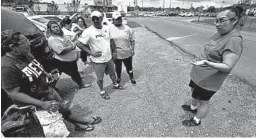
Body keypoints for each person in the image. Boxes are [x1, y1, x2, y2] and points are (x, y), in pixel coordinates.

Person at [1, 30, 102, 133]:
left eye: (27, 39)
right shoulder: (7, 67)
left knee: (62, 107)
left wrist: (46, 73)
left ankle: (77, 123)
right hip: (34, 101)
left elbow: (35, 66)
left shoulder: (25, 53)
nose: (29, 43)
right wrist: (41, 104)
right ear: (13, 47)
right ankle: (79, 121)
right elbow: (13, 93)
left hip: (46, 91)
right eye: (25, 41)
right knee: (56, 127)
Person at [181, 6, 244, 127]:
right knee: (194, 92)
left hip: (209, 81)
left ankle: (196, 120)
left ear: (234, 20)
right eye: (216, 20)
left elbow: (227, 66)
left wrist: (207, 63)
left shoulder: (234, 40)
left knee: (203, 102)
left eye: (222, 20)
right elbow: (211, 50)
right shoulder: (220, 33)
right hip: (198, 75)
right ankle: (193, 107)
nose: (217, 24)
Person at [76, 11, 124, 100]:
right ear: (91, 20)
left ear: (101, 18)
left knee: (112, 73)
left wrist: (114, 51)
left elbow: (111, 40)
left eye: (97, 18)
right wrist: (91, 53)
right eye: (93, 19)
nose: (95, 21)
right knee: (100, 78)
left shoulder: (106, 28)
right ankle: (102, 91)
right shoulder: (88, 31)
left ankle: (115, 84)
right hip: (98, 60)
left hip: (108, 57)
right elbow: (78, 43)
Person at [46, 21, 91, 89]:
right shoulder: (52, 39)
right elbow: (61, 51)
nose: (56, 28)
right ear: (50, 29)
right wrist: (72, 47)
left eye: (57, 26)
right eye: (53, 27)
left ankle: (81, 85)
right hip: (60, 62)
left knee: (75, 73)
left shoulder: (61, 36)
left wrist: (71, 46)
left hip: (70, 60)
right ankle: (49, 91)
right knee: (55, 77)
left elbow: (70, 42)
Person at [109, 11, 136, 84]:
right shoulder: (109, 28)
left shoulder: (127, 28)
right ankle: (119, 77)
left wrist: (132, 49)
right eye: (116, 19)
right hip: (116, 54)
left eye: (120, 18)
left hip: (127, 52)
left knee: (129, 67)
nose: (119, 20)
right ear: (113, 20)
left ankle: (131, 77)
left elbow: (132, 40)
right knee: (118, 67)